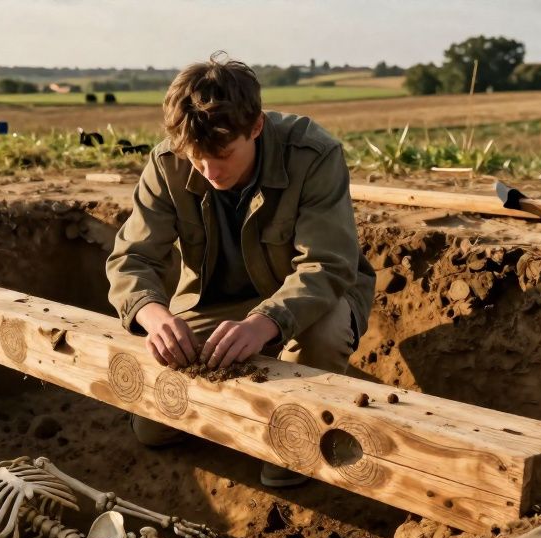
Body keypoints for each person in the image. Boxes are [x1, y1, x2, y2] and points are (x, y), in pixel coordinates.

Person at [106, 53, 375, 489]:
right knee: (154, 430)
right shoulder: (166, 163)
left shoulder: (313, 155)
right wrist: (153, 316)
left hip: (304, 303)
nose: (210, 172)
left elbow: (327, 264)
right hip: (213, 305)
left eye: (223, 155)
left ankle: (297, 442)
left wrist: (264, 323)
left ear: (256, 126)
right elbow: (130, 259)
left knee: (325, 334)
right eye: (197, 159)